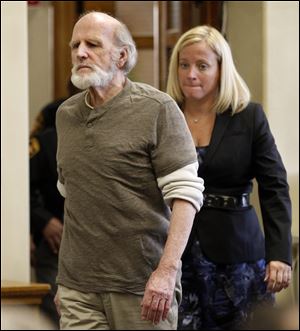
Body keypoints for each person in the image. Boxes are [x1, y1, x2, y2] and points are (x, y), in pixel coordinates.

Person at [54, 12, 204, 330]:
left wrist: (167, 272)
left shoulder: (158, 109)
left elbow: (186, 198)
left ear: (122, 56)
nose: (80, 52)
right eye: (75, 45)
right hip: (78, 290)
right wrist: (64, 281)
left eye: (93, 44)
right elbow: (74, 200)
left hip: (143, 286)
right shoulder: (65, 115)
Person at [166, 25, 292, 330]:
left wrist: (280, 255)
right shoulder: (164, 115)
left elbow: (274, 186)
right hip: (176, 251)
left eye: (202, 66)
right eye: (184, 65)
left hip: (238, 256)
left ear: (222, 70)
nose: (191, 74)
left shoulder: (248, 116)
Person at [29, 81, 80, 327]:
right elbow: (21, 188)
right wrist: (43, 221)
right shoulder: (48, 138)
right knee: (57, 318)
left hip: (101, 243)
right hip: (55, 243)